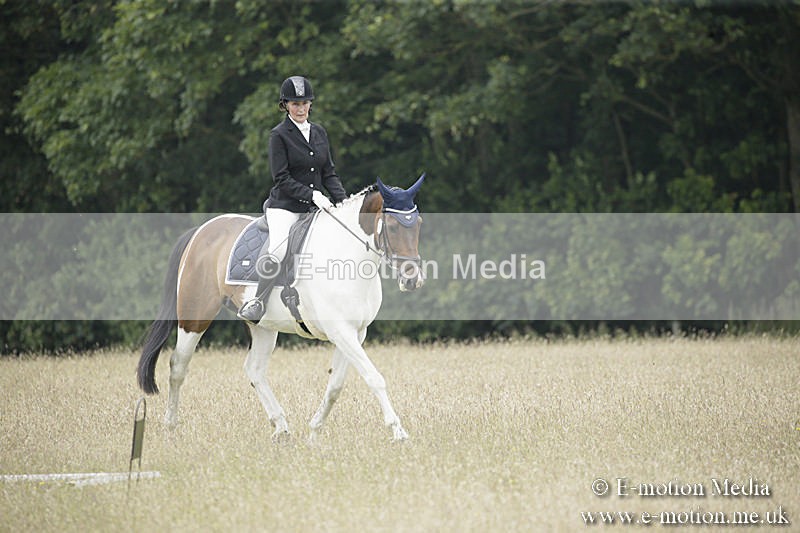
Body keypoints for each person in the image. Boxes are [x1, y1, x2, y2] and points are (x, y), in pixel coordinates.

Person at [238, 75, 348, 323]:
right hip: (285, 207)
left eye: (304, 103)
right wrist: (313, 195)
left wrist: (343, 202)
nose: (300, 108)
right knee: (277, 250)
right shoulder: (279, 135)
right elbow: (281, 178)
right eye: (294, 104)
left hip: (314, 209)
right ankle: (258, 301)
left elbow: (328, 173)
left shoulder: (319, 132)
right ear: (285, 105)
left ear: (310, 104)